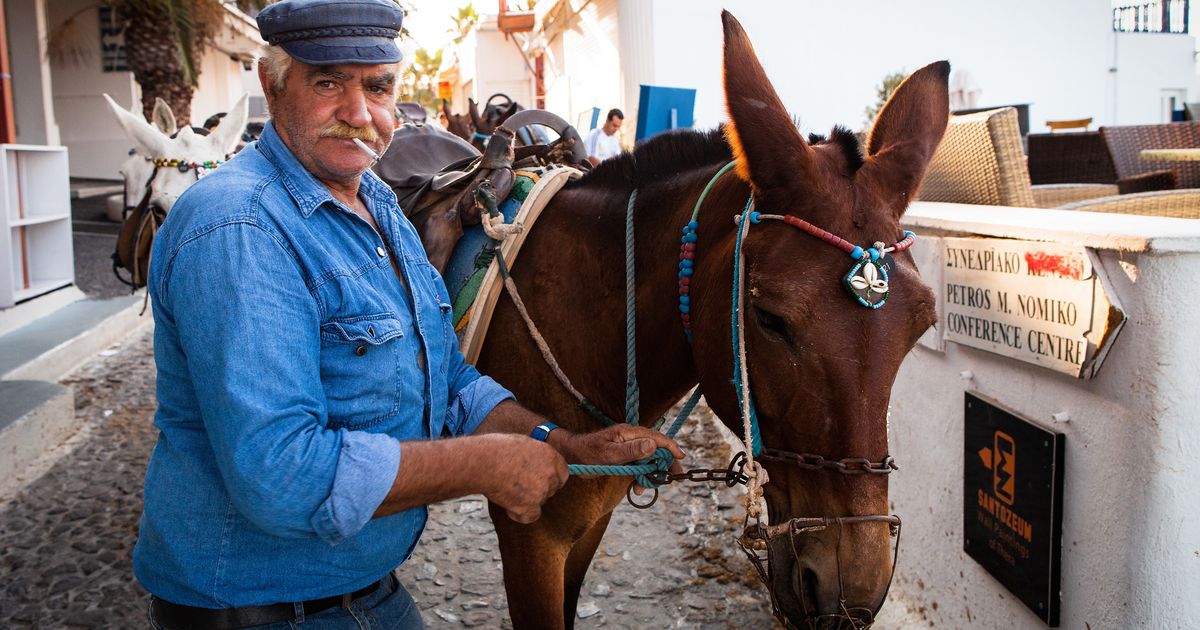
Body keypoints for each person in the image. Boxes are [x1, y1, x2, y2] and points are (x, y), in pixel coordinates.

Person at [133, 1, 683, 628]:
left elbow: (449, 382)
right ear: (272, 84)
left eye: (378, 86)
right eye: (326, 81)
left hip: (366, 595)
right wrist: (485, 465)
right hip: (263, 609)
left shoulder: (378, 204)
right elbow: (281, 474)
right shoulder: (238, 226)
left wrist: (561, 441)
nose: (359, 113)